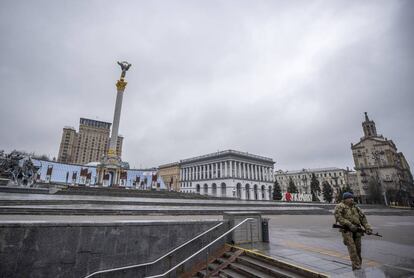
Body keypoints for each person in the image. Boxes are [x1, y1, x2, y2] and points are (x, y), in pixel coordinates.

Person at [334, 192, 372, 270]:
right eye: (349, 198)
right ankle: (357, 266)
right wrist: (349, 225)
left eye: (352, 198)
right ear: (345, 199)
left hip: (357, 230)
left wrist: (367, 228)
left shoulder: (356, 207)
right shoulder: (340, 206)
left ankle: (358, 265)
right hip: (347, 230)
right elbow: (339, 217)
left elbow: (363, 218)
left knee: (358, 249)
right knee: (352, 249)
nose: (352, 199)